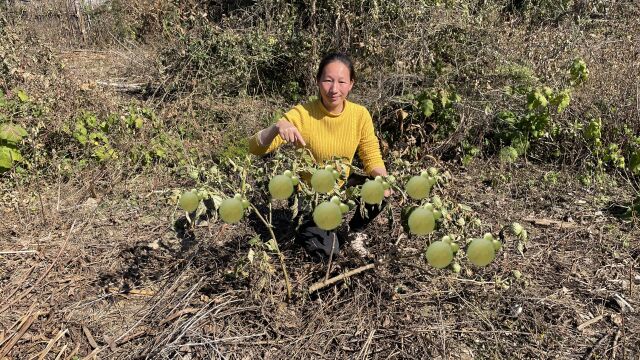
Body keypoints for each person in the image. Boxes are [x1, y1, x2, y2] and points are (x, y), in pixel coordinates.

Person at [248, 52, 390, 260]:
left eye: (342, 81)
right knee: (327, 254)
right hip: (311, 196)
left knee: (381, 189)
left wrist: (383, 181)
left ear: (351, 84)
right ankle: (312, 228)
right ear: (317, 81)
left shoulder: (360, 115)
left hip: (341, 189)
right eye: (328, 80)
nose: (334, 89)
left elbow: (372, 157)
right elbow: (255, 148)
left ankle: (352, 232)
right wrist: (278, 127)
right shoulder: (302, 114)